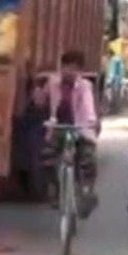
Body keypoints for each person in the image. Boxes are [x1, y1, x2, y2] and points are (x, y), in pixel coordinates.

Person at [38, 50, 100, 216]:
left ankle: (86, 192)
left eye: (73, 68)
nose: (68, 72)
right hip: (58, 127)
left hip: (80, 128)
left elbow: (88, 107)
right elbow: (41, 101)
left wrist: (91, 121)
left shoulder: (85, 86)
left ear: (79, 70)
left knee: (88, 159)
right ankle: (56, 191)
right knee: (47, 159)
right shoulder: (53, 83)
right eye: (65, 67)